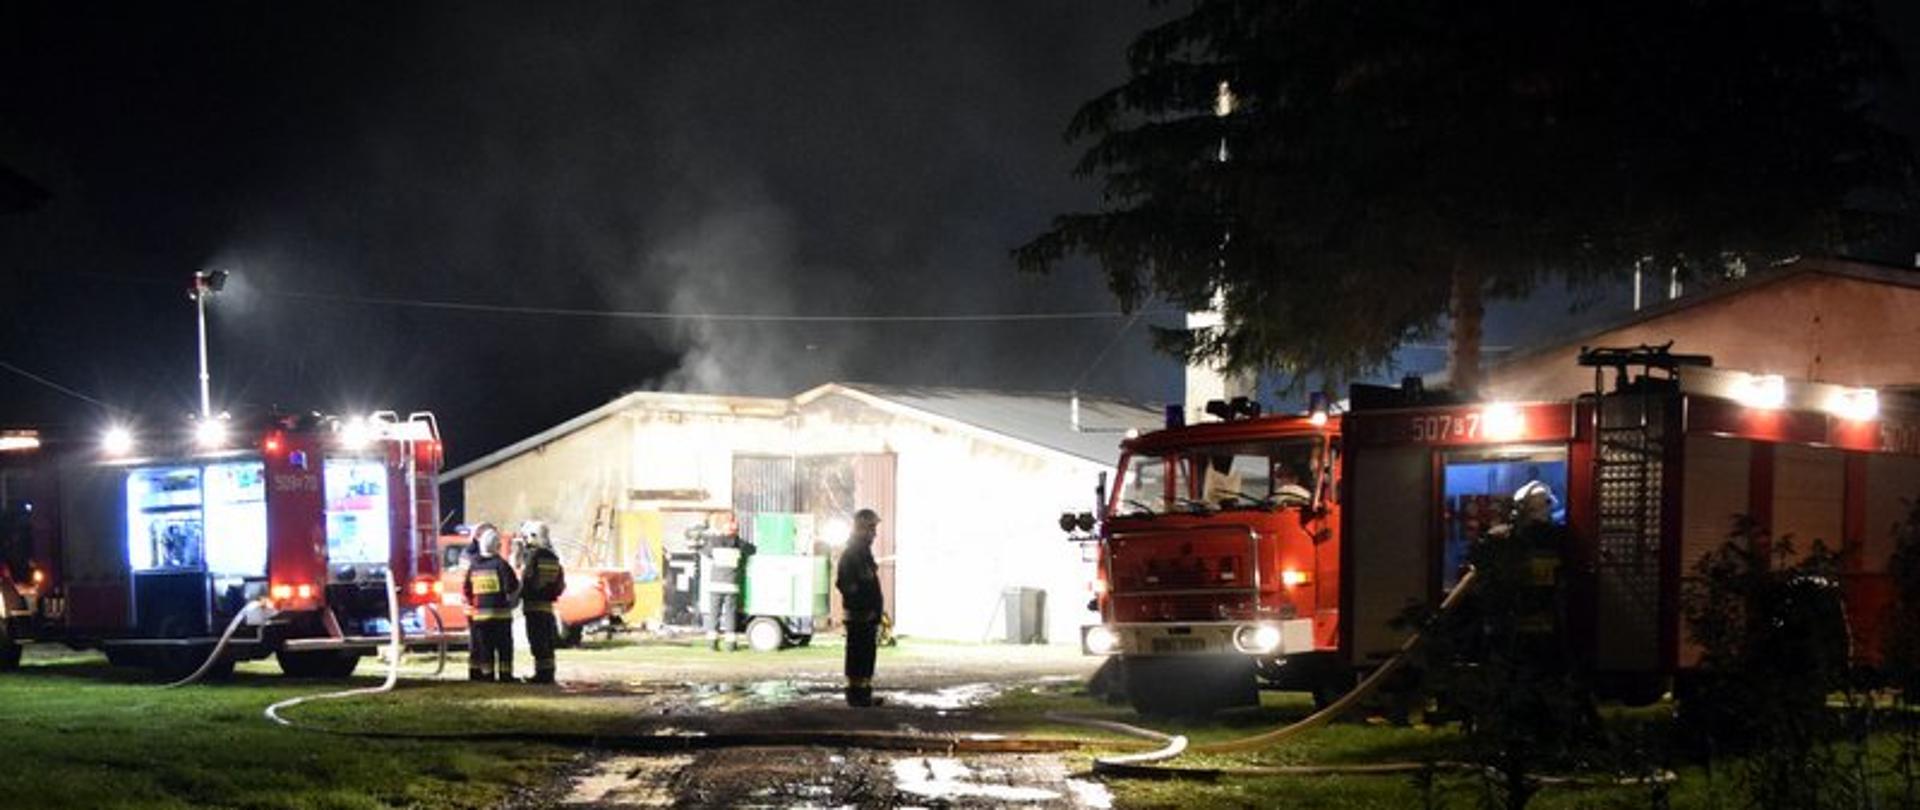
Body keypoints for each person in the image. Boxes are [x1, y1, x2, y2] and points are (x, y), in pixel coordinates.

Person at [835, 509, 885, 707]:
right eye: (872, 528)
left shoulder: (862, 552)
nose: (874, 533)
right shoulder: (853, 553)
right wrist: (861, 600)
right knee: (858, 654)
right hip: (859, 614)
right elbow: (845, 583)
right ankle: (857, 696)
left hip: (866, 614)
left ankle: (863, 693)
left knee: (866, 655)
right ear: (862, 528)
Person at [463, 523, 520, 682]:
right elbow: (512, 587)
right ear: (496, 545)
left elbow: (467, 589)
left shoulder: (474, 566)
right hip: (501, 617)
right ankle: (505, 676)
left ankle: (487, 675)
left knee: (485, 648)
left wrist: (473, 604)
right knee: (504, 648)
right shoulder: (501, 565)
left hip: (480, 617)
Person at [517, 520, 567, 684]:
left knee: (537, 641)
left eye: (528, 537)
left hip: (533, 606)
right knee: (547, 642)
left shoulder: (534, 556)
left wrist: (518, 595)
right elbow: (560, 583)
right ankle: (548, 673)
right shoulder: (554, 557)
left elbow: (528, 579)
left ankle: (541, 675)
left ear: (534, 536)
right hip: (547, 607)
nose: (526, 541)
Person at [697, 513, 755, 652]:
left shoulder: (714, 542)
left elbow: (704, 551)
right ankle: (730, 645)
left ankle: (712, 644)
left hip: (715, 585)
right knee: (730, 615)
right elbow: (752, 549)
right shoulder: (740, 545)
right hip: (732, 586)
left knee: (714, 615)